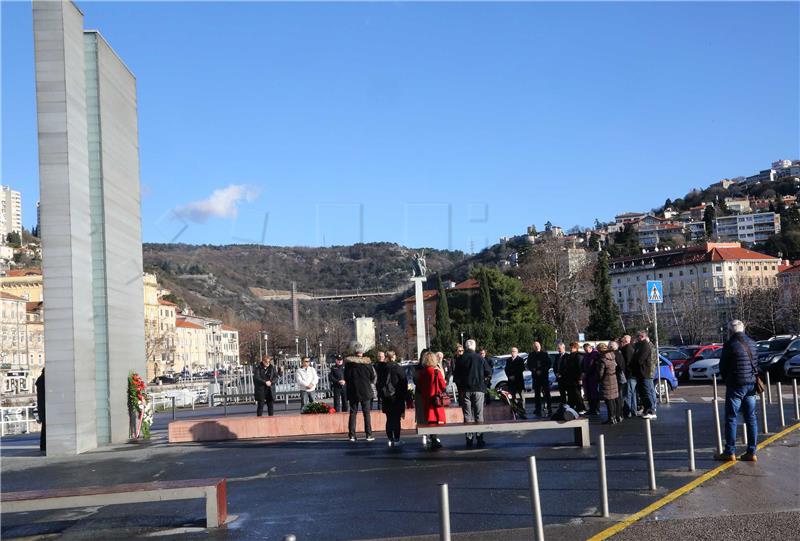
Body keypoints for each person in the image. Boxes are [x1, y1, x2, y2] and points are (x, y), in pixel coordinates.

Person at [717, 320, 759, 462]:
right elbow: (756, 364)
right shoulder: (753, 343)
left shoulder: (729, 345)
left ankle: (730, 452)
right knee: (751, 418)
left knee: (731, 417)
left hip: (735, 385)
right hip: (751, 385)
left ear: (730, 331)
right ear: (743, 329)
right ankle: (752, 452)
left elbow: (723, 366)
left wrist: (727, 379)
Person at [453, 339, 492, 448]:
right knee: (479, 414)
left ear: (465, 347)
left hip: (465, 390)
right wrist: (485, 384)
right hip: (479, 389)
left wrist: (460, 387)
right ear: (474, 347)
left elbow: (456, 377)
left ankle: (469, 439)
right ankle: (479, 438)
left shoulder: (460, 359)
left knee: (467, 415)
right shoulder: (480, 358)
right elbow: (489, 372)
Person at [345, 344, 375, 442]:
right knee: (366, 414)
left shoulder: (349, 364)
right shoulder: (367, 363)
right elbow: (372, 377)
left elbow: (346, 377)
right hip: (365, 390)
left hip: (353, 391)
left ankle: (352, 435)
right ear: (362, 352)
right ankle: (368, 435)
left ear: (354, 352)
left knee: (353, 413)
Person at [418, 351, 447, 449]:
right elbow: (443, 385)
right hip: (435, 398)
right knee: (436, 419)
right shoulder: (436, 371)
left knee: (429, 419)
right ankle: (434, 438)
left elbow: (420, 385)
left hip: (426, 398)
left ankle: (432, 437)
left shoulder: (422, 372)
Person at [380, 351, 409, 448]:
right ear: (394, 356)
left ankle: (390, 439)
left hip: (386, 397)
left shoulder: (382, 368)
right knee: (396, 419)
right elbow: (404, 382)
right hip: (397, 397)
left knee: (389, 419)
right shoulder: (398, 368)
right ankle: (397, 439)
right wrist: (405, 396)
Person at [633, 331, 658, 419]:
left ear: (642, 336)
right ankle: (646, 410)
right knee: (643, 392)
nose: (636, 338)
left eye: (638, 336)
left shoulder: (645, 346)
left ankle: (652, 411)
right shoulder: (640, 345)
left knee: (648, 392)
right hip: (641, 372)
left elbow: (640, 359)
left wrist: (635, 360)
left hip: (646, 372)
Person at [597, 343, 620, 424]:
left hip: (606, 379)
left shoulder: (603, 359)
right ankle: (614, 417)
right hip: (613, 378)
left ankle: (611, 418)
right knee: (613, 399)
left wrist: (599, 379)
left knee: (608, 400)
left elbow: (600, 373)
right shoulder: (612, 356)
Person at [527, 341, 552, 416]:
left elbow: (548, 364)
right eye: (535, 346)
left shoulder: (545, 354)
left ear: (540, 346)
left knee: (546, 393)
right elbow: (529, 365)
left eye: (538, 346)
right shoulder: (531, 355)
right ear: (533, 347)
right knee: (537, 394)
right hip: (536, 377)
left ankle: (549, 408)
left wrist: (542, 370)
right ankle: (538, 409)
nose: (537, 347)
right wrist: (534, 370)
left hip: (544, 376)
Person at [561, 342, 586, 412]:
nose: (571, 349)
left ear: (576, 348)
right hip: (570, 378)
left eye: (572, 347)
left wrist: (580, 378)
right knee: (571, 394)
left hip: (576, 378)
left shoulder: (578, 356)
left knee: (577, 393)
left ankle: (581, 407)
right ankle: (573, 407)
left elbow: (580, 368)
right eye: (570, 347)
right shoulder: (570, 356)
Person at [582, 343, 601, 415]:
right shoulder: (586, 355)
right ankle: (591, 409)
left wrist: (587, 372)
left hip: (593, 377)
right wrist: (583, 372)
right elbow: (583, 364)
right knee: (589, 394)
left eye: (587, 350)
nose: (586, 351)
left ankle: (597, 409)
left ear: (590, 348)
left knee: (595, 394)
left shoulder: (595, 354)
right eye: (585, 350)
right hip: (587, 377)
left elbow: (593, 366)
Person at [620, 335, 637, 417]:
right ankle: (633, 410)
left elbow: (627, 363)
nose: (621, 341)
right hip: (633, 374)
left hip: (629, 375)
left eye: (622, 339)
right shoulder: (631, 348)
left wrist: (625, 372)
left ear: (625, 340)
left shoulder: (627, 349)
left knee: (628, 393)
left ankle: (628, 412)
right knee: (632, 393)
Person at [505, 347, 526, 411]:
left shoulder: (520, 360)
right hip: (511, 381)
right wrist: (510, 376)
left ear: (517, 352)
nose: (512, 353)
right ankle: (514, 409)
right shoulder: (508, 360)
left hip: (519, 380)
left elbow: (521, 369)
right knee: (512, 397)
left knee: (522, 396)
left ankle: (522, 409)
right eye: (512, 351)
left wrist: (514, 376)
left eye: (514, 351)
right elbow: (506, 369)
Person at [610, 341, 625, 423]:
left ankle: (619, 414)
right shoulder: (619, 353)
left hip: (617, 378)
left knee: (617, 397)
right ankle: (619, 415)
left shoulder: (615, 354)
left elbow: (619, 366)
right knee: (618, 397)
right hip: (618, 378)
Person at [35, 368, 45, 453]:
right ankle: (44, 446)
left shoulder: (40, 380)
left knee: (44, 428)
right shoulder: (42, 381)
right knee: (45, 428)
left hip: (42, 407)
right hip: (44, 407)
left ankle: (43, 446)